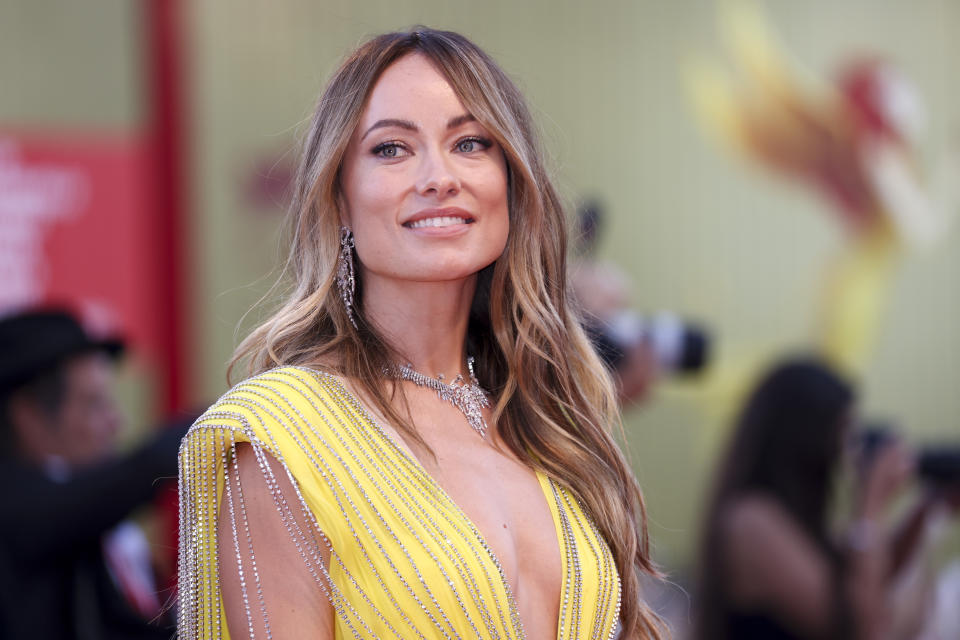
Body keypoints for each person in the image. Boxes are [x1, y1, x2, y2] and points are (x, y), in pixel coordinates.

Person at [178, 27, 665, 640]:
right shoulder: (282, 434)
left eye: (469, 143)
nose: (439, 177)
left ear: (510, 184)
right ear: (340, 200)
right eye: (391, 149)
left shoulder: (546, 419)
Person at [693, 359, 950, 640]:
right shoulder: (751, 522)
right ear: (806, 437)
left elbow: (872, 572)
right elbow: (860, 626)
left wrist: (928, 506)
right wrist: (871, 503)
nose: (846, 451)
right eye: (842, 431)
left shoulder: (797, 522)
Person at [0, 309, 184, 639]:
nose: (117, 422)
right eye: (93, 404)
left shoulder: (102, 533)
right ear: (28, 417)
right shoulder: (31, 517)